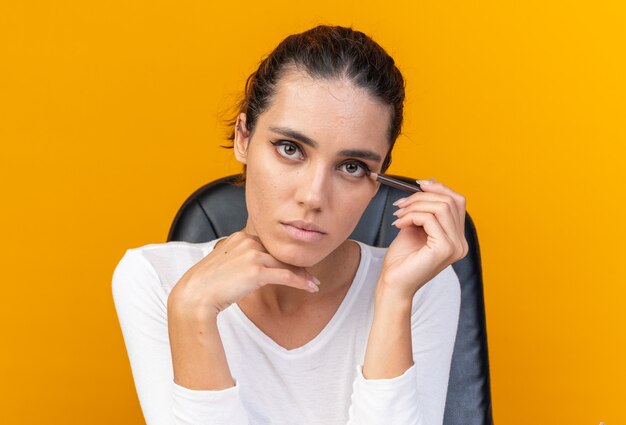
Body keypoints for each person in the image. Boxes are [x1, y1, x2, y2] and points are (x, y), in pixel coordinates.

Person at [112, 25, 468, 425]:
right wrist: (192, 312)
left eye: (352, 167)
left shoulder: (421, 287)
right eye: (290, 149)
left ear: (378, 179)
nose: (313, 197)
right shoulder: (156, 281)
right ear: (243, 138)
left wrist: (393, 298)